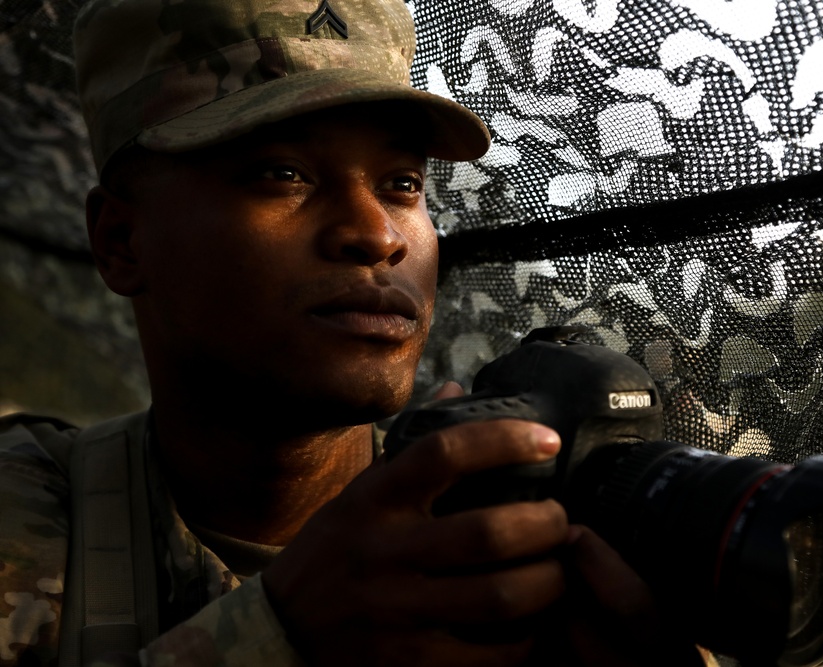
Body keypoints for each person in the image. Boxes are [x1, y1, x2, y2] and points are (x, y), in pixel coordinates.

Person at [0, 0, 713, 664]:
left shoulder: (520, 534)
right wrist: (281, 633)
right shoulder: (27, 518)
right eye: (284, 173)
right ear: (121, 240)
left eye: (402, 184)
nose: (376, 234)